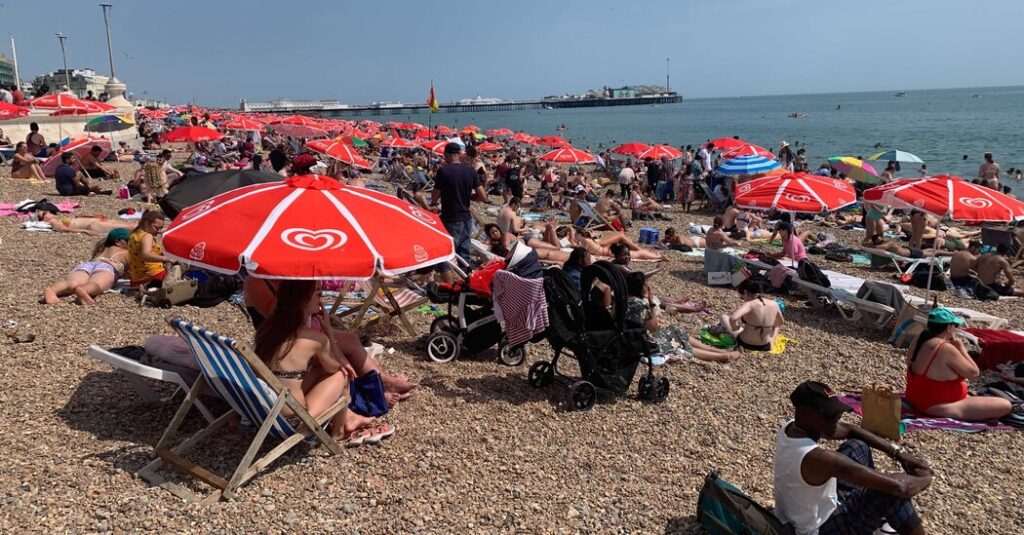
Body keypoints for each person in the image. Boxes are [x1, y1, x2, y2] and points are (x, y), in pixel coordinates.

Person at [774, 381, 931, 535]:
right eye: (830, 415)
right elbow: (900, 488)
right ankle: (882, 516)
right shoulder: (816, 457)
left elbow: (850, 430)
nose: (836, 420)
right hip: (818, 529)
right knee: (888, 493)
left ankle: (876, 517)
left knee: (857, 446)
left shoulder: (791, 428)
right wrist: (925, 477)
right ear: (805, 414)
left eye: (838, 414)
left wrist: (898, 453)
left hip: (805, 510)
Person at [254, 280, 392, 445]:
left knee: (317, 372)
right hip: (290, 421)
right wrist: (327, 331)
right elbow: (335, 367)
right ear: (303, 300)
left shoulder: (267, 329)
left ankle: (349, 418)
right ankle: (339, 432)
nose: (321, 299)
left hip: (262, 411)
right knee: (342, 374)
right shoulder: (313, 338)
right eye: (318, 293)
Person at [244, 278, 418, 407]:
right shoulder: (257, 281)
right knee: (340, 367)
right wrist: (326, 335)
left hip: (296, 335)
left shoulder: (289, 274)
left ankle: (380, 383)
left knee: (348, 341)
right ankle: (365, 398)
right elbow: (279, 318)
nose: (321, 301)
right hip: (290, 338)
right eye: (319, 295)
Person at [905, 308, 1013, 420]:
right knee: (1005, 405)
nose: (955, 330)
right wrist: (961, 348)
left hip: (914, 398)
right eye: (955, 326)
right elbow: (974, 373)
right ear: (948, 327)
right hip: (937, 405)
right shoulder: (944, 348)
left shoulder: (918, 340)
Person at [431, 143, 486, 269]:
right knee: (464, 253)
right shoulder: (470, 171)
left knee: (447, 251)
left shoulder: (443, 171)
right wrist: (470, 197)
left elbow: (434, 197)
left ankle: (446, 280)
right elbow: (483, 196)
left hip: (451, 217)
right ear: (460, 154)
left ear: (446, 155)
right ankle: (466, 279)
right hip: (467, 218)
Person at [42, 228, 130, 305]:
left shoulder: (101, 250)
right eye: (129, 241)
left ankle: (52, 290)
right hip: (107, 267)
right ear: (118, 242)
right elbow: (132, 271)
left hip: (86, 264)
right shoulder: (125, 253)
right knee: (96, 284)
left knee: (72, 282)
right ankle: (84, 290)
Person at [127, 210, 170, 288]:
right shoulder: (147, 236)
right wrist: (166, 258)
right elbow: (145, 255)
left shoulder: (134, 234)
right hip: (154, 275)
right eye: (157, 228)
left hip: (136, 279)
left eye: (160, 228)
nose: (159, 231)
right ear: (146, 223)